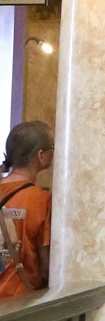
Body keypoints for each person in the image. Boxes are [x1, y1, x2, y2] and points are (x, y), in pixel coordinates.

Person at [0, 120, 53, 299]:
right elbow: (46, 266)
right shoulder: (41, 200)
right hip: (17, 302)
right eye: (52, 147)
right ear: (41, 155)